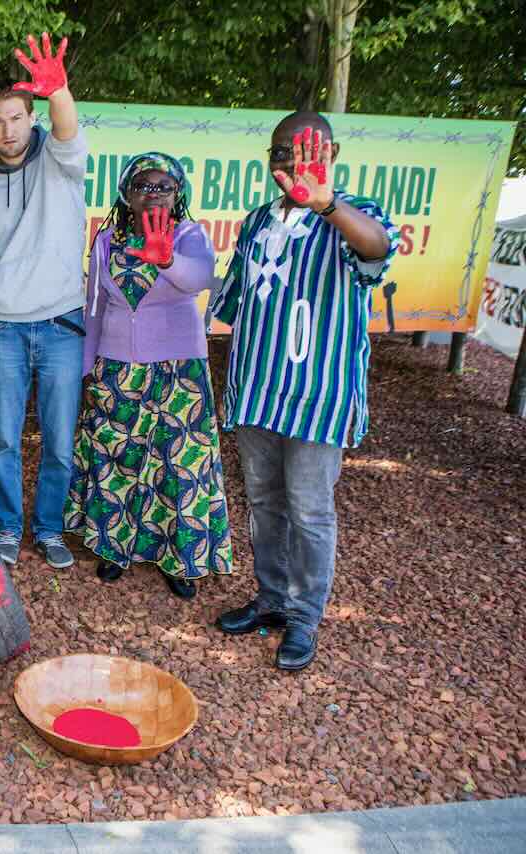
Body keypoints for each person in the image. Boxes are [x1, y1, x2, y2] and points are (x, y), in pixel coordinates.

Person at [211, 112, 398, 671]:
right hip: (259, 390)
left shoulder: (351, 215)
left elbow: (376, 250)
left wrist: (326, 204)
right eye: (281, 154)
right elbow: (236, 302)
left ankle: (304, 617)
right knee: (264, 502)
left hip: (318, 395)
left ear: (332, 153)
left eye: (306, 151)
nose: (291, 165)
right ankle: (271, 599)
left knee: (310, 510)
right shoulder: (256, 222)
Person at [66, 153, 233, 600]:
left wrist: (166, 260)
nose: (154, 193)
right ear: (126, 193)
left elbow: (198, 279)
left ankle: (180, 559)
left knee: (178, 466)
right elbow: (95, 307)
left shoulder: (191, 236)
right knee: (117, 459)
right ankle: (114, 548)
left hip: (179, 371)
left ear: (179, 194)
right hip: (116, 367)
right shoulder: (107, 241)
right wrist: (88, 368)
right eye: (144, 185)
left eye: (164, 186)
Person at [0, 32, 87, 570]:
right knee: (4, 441)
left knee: (59, 441)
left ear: (30, 118)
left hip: (62, 325)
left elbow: (69, 129)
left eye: (17, 117)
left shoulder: (59, 161)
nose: (8, 129)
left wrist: (58, 91)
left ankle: (50, 529)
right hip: (6, 327)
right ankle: (9, 527)